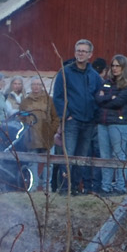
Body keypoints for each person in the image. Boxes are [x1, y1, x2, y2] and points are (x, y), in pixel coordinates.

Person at [50, 38, 100, 192]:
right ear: (75, 52)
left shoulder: (94, 75)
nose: (81, 53)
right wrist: (67, 116)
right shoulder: (65, 72)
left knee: (81, 157)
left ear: (90, 54)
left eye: (84, 51)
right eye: (78, 50)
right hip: (72, 120)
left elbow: (99, 96)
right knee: (68, 155)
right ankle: (64, 188)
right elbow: (57, 97)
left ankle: (75, 188)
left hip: (89, 122)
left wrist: (94, 115)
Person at [92, 54, 127, 192]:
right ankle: (105, 187)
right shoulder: (106, 82)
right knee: (104, 156)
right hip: (103, 122)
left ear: (124, 67)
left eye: (118, 65)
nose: (115, 68)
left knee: (118, 155)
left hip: (119, 123)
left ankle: (120, 186)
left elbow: (118, 102)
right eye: (113, 65)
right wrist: (109, 97)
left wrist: (105, 98)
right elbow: (97, 99)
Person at [17, 80, 56, 188]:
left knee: (49, 162)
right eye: (34, 84)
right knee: (32, 161)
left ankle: (47, 186)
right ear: (31, 86)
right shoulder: (25, 101)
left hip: (46, 134)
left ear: (42, 86)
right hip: (31, 134)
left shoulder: (49, 100)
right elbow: (20, 116)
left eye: (38, 84)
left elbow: (56, 117)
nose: (36, 87)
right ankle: (33, 186)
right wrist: (26, 123)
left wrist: (52, 130)